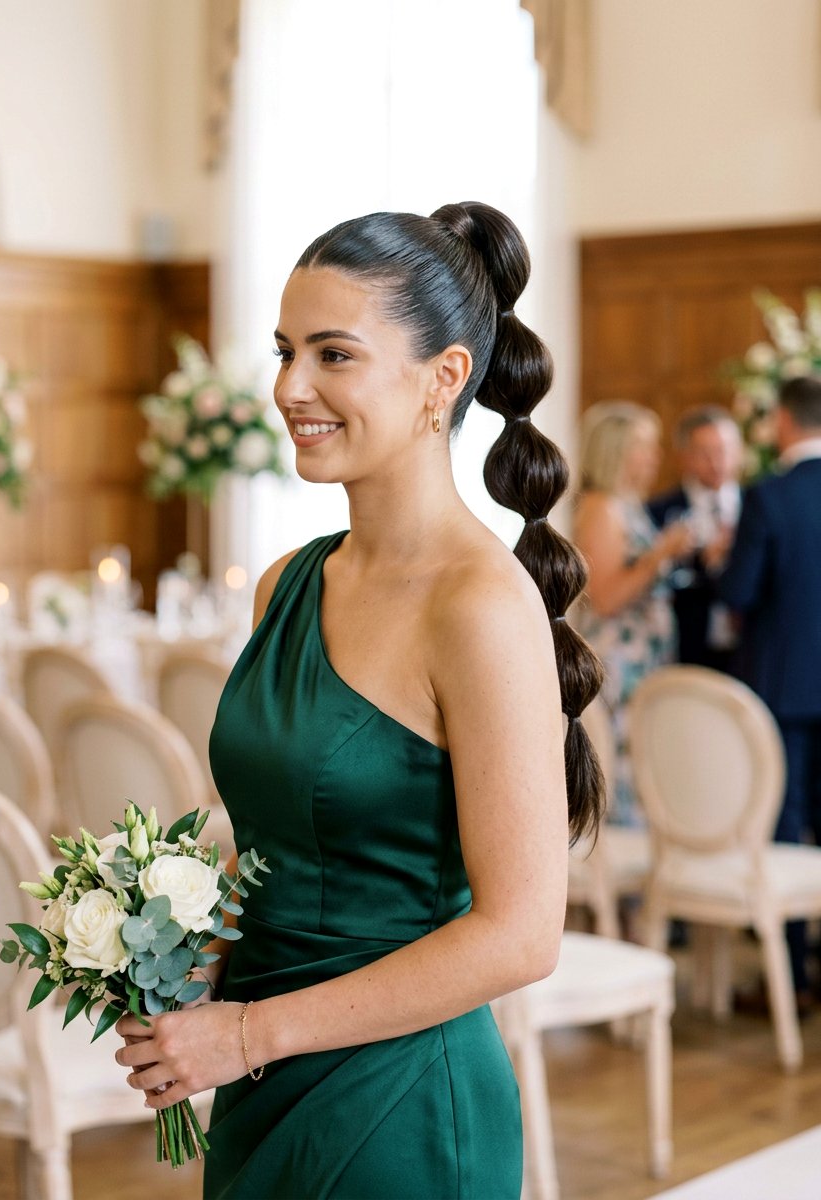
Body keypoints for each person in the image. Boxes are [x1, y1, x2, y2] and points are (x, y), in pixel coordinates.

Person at [115, 202, 604, 1198]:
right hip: (260, 1082)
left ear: (443, 379)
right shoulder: (286, 583)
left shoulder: (479, 606)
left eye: (332, 355)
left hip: (402, 1102)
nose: (290, 388)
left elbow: (521, 934)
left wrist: (248, 1032)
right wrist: (178, 950)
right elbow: (281, 827)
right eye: (285, 351)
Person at [718, 374, 821, 1010]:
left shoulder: (768, 498)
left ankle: (793, 981)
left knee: (782, 828)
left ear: (783, 421)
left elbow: (737, 594)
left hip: (782, 689)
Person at [573, 401, 693, 827]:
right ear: (617, 449)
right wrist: (663, 552)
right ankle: (618, 873)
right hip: (618, 661)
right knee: (621, 763)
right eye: (644, 445)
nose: (654, 456)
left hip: (643, 660)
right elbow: (606, 597)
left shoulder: (628, 504)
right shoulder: (602, 507)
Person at [648, 407, 743, 672]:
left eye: (724, 450)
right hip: (686, 650)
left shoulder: (758, 508)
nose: (717, 462)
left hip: (747, 651)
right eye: (705, 453)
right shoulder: (658, 512)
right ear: (684, 457)